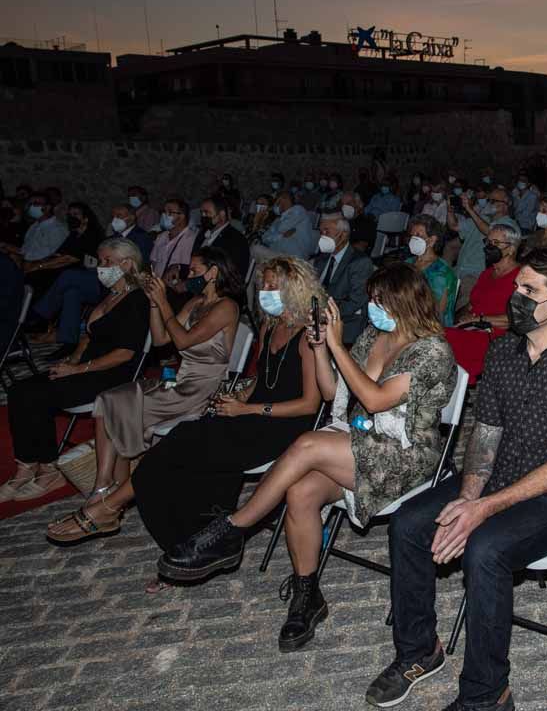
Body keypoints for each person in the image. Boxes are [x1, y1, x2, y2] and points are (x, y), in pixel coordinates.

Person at [364, 249, 547, 711]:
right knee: (408, 523)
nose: (515, 297)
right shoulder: (503, 351)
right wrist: (468, 498)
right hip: (501, 474)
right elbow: (485, 438)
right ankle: (420, 650)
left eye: (528, 291)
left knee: (485, 550)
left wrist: (481, 511)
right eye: (517, 286)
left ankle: (487, 695)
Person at [158, 264, 457, 648]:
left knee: (306, 443)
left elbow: (374, 398)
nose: (371, 307)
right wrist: (320, 349)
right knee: (300, 492)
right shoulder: (374, 336)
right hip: (361, 441)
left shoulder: (433, 350)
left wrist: (336, 346)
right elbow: (335, 393)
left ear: (404, 302)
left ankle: (233, 529)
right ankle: (306, 596)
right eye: (370, 299)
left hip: (406, 456)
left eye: (378, 300)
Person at [131, 256, 323, 591]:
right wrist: (235, 399)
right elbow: (263, 381)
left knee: (186, 452)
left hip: (285, 427)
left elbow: (310, 404)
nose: (264, 291)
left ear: (294, 288)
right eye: (262, 285)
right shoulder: (269, 326)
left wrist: (246, 410)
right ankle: (188, 546)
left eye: (272, 286)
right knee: (172, 453)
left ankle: (205, 543)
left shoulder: (308, 336)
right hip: (251, 417)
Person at [45, 248, 240, 543]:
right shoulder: (196, 301)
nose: (189, 275)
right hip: (181, 381)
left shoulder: (227, 307)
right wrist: (153, 303)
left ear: (213, 272)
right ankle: (104, 487)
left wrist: (163, 303)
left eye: (195, 269)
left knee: (125, 405)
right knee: (111, 398)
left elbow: (184, 340)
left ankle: (109, 500)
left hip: (202, 388)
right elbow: (162, 340)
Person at [0, 238, 151, 503]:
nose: (101, 267)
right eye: (100, 261)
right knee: (19, 389)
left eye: (107, 262)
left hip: (111, 374)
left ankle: (48, 468)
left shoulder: (136, 300)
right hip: (86, 368)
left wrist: (79, 369)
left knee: (37, 396)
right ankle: (27, 466)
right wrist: (71, 362)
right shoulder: (111, 295)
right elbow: (87, 337)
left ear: (127, 264)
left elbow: (125, 353)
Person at [446, 222, 522, 382]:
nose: (489, 246)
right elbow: (472, 304)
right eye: (488, 242)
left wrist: (479, 319)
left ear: (511, 248)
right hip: (473, 327)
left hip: (497, 335)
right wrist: (460, 319)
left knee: (446, 343)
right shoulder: (487, 274)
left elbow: (514, 319)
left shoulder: (520, 277)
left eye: (496, 243)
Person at [449, 187, 517, 311]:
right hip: (458, 270)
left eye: (493, 200)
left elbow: (490, 232)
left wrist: (469, 209)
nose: (488, 203)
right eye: (489, 200)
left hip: (475, 274)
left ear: (505, 205)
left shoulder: (509, 225)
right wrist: (450, 210)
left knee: (461, 310)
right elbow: (454, 226)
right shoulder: (482, 219)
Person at [311, 214, 372, 346]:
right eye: (321, 231)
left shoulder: (360, 262)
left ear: (343, 235)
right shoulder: (321, 259)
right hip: (317, 321)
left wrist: (323, 314)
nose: (323, 235)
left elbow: (355, 301)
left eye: (327, 231)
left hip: (345, 325)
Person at [23, 200, 104, 300]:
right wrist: (38, 263)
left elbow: (70, 258)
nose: (71, 217)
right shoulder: (74, 234)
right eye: (69, 214)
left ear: (85, 219)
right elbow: (59, 254)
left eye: (75, 214)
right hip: (65, 268)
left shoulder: (91, 235)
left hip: (81, 272)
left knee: (39, 277)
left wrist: (39, 266)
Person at [406, 214, 459, 326]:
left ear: (432, 240)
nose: (413, 239)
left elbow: (436, 312)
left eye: (418, 235)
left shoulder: (441, 272)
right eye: (412, 235)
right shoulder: (408, 263)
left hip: (428, 327)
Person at [2, 191, 68, 268]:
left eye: (36, 204)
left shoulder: (57, 228)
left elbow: (52, 255)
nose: (32, 207)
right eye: (30, 204)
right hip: (26, 265)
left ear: (47, 207)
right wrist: (8, 247)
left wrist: (23, 257)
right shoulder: (34, 226)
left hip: (42, 269)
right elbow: (26, 249)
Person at [194, 196, 250, 280]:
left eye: (207, 212)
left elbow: (234, 274)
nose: (203, 216)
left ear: (222, 214)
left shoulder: (236, 240)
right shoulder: (202, 234)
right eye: (201, 213)